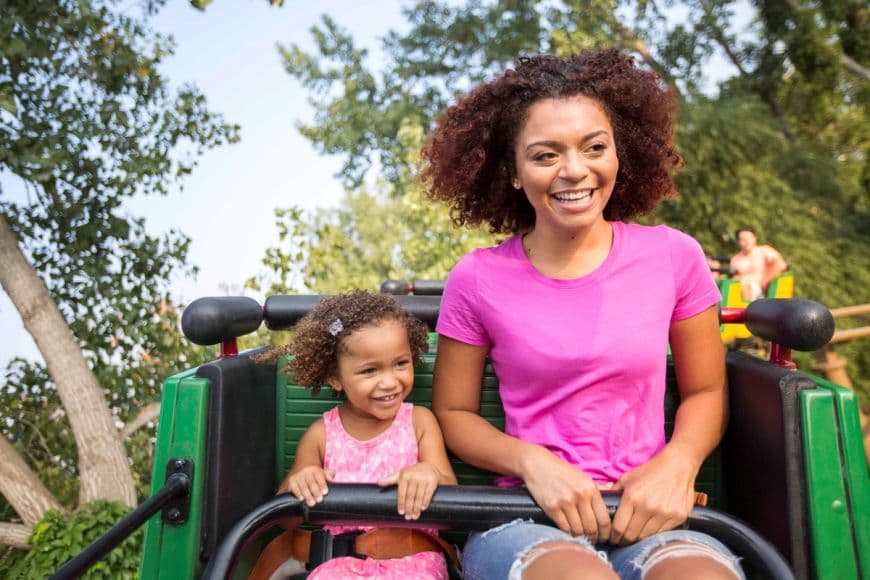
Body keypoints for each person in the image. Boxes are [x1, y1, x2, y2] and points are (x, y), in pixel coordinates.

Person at [422, 50, 743, 579]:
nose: (576, 170)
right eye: (545, 155)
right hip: (527, 517)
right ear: (514, 173)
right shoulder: (477, 277)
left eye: (595, 147)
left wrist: (677, 465)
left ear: (620, 154)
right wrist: (534, 463)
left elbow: (707, 391)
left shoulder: (673, 256)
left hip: (651, 515)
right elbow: (454, 414)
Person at [249, 290, 458, 580]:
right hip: (338, 565)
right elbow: (284, 516)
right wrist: (303, 481)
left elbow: (451, 492)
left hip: (413, 559)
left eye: (401, 363)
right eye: (370, 370)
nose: (390, 382)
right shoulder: (321, 435)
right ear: (336, 377)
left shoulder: (419, 422)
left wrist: (429, 473)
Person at [729, 227, 788, 301]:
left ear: (754, 238)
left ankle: (747, 309)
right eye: (743, 239)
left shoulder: (764, 251)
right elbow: (733, 278)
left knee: (745, 286)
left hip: (761, 290)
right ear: (738, 242)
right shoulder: (735, 259)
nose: (747, 241)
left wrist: (764, 283)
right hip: (739, 290)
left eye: (749, 238)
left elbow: (781, 265)